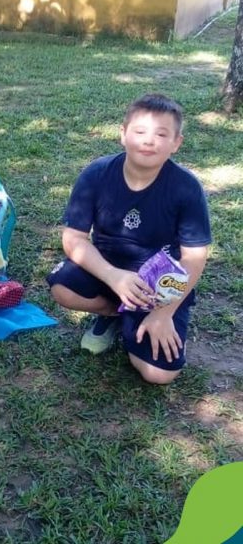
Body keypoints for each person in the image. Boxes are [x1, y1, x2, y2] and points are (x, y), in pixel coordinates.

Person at [46, 94, 211, 385]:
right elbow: (74, 239)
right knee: (62, 288)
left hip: (159, 285)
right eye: (140, 131)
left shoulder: (186, 188)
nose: (149, 141)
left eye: (161, 134)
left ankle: (141, 319)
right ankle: (113, 314)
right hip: (108, 269)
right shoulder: (96, 174)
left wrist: (164, 312)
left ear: (176, 143)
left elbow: (194, 257)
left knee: (159, 374)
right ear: (123, 134)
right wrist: (114, 276)